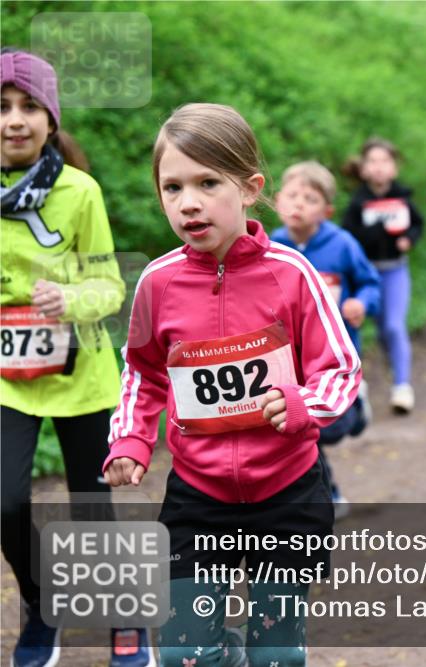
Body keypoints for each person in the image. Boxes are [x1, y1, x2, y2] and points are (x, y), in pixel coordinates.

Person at [103, 103, 361, 667]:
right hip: (199, 498)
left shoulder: (293, 274)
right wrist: (129, 440)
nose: (188, 201)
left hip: (287, 494)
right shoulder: (158, 283)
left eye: (207, 182)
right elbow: (143, 373)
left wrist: (300, 405)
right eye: (172, 187)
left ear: (249, 188)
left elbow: (340, 368)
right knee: (183, 655)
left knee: (279, 657)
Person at [1, 49, 154, 667]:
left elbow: (111, 288)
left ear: (50, 119)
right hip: (9, 377)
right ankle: (43, 606)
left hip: (81, 368)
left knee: (93, 508)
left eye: (28, 106)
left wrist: (68, 296)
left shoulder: (78, 192)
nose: (14, 120)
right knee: (6, 502)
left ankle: (126, 619)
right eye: (2, 107)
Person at [270, 160, 380, 518]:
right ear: (277, 201)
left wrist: (360, 303)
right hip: (292, 362)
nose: (299, 204)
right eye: (292, 196)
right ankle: (329, 491)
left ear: (326, 210)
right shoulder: (271, 247)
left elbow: (370, 283)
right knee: (304, 430)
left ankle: (357, 406)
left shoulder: (342, 245)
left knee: (334, 431)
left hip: (337, 359)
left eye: (310, 198)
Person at [341, 138, 424, 414]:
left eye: (384, 161)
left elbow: (418, 224)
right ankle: (357, 390)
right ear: (363, 169)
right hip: (364, 275)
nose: (378, 167)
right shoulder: (357, 204)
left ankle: (402, 386)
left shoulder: (403, 198)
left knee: (393, 327)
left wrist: (408, 240)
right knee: (357, 328)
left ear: (394, 168)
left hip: (394, 270)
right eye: (372, 162)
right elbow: (347, 237)